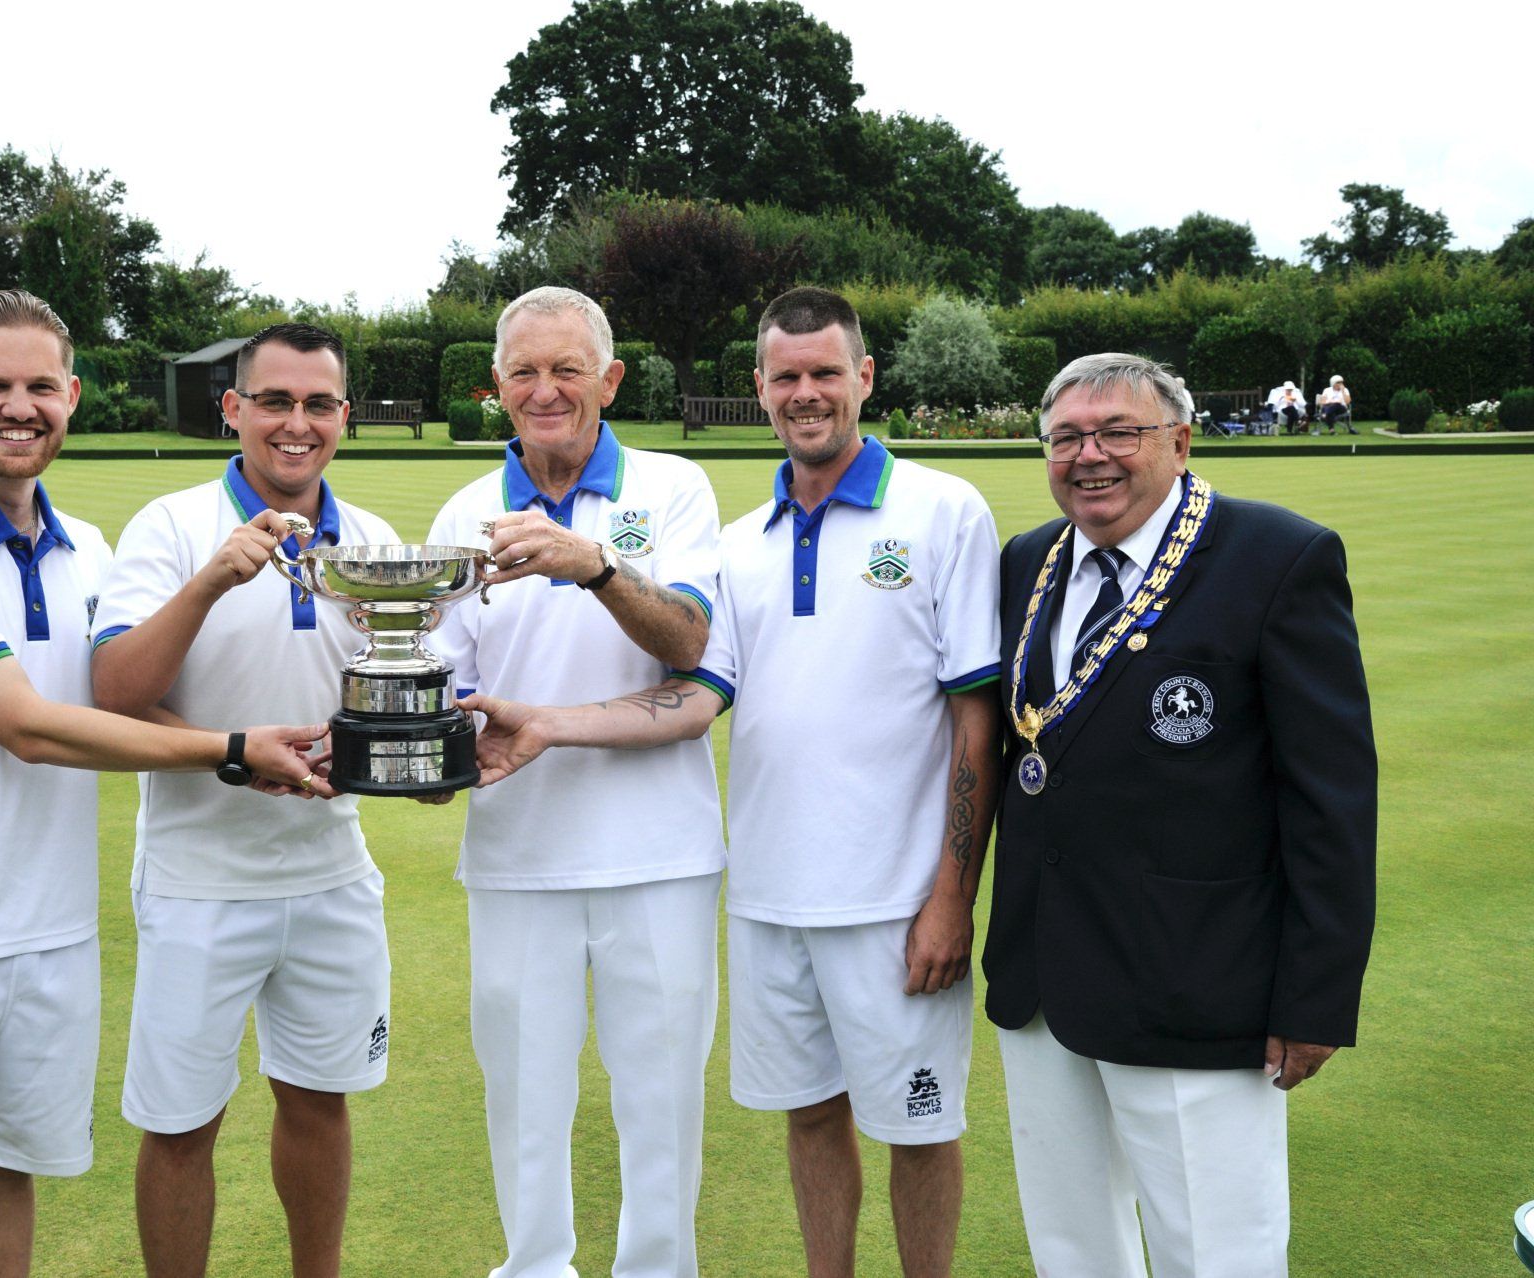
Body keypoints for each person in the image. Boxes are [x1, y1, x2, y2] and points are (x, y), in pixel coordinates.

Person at [463, 286, 1004, 1278]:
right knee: (809, 1116)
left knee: (915, 1128)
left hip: (875, 895)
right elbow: (694, 699)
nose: (807, 394)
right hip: (763, 896)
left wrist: (951, 896)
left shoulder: (937, 509)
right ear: (760, 387)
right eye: (786, 377)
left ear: (864, 377)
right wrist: (533, 727)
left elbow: (977, 718)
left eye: (826, 373)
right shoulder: (744, 542)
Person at [0, 290, 333, 1278]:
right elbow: (27, 726)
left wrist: (245, 751)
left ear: (71, 395)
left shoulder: (91, 552)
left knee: (5, 1179)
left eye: (40, 386)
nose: (19, 407)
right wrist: (233, 748)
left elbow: (125, 701)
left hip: (52, 935)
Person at [983, 352, 1377, 1276]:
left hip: (1196, 979)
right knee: (1072, 1247)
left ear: (1182, 442)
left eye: (1119, 432)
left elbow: (1331, 801)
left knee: (1217, 1253)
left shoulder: (1278, 557)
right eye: (1066, 438)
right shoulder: (1027, 560)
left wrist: (1316, 998)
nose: (1090, 456)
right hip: (1041, 978)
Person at [425, 285, 726, 1278]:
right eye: (524, 372)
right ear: (497, 387)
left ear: (611, 379)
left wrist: (590, 565)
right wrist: (425, 757)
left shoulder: (672, 488)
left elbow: (690, 644)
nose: (545, 390)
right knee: (522, 1104)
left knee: (662, 1104)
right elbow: (446, 683)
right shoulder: (465, 513)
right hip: (517, 854)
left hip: (660, 856)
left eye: (567, 369)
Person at [89, 323, 400, 1278]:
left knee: (318, 1101)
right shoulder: (171, 525)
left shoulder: (375, 542)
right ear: (233, 409)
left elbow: (393, 700)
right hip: (200, 877)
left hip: (331, 870)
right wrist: (214, 579)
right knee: (182, 1124)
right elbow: (115, 691)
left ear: (343, 416)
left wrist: (404, 762)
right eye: (274, 401)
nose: (296, 423)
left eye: (318, 404)